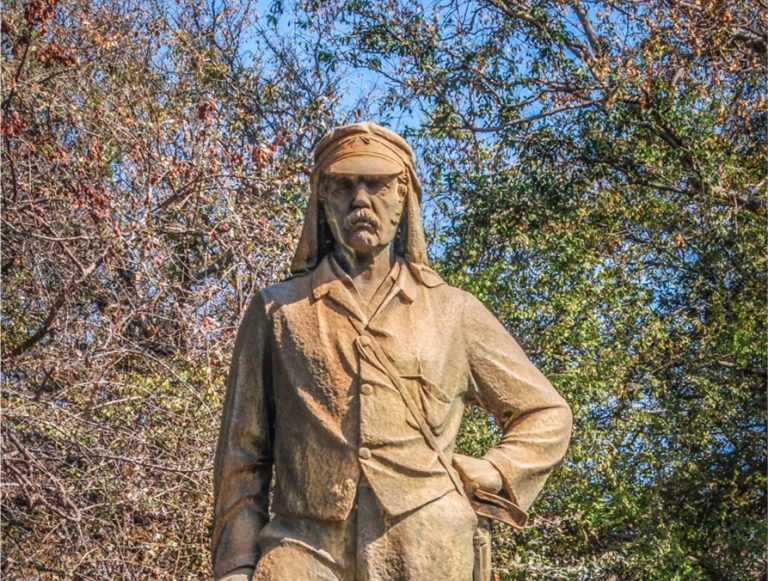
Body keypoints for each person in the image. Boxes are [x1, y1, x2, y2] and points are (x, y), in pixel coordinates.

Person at [212, 122, 572, 581]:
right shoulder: (277, 311)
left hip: (429, 546)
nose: (361, 201)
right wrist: (237, 565)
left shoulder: (453, 311)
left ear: (403, 198)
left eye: (378, 185)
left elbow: (546, 413)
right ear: (322, 199)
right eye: (343, 186)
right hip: (304, 549)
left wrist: (496, 470)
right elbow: (243, 457)